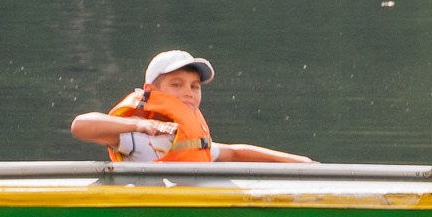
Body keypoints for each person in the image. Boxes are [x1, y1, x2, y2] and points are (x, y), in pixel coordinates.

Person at [70, 49, 315, 164]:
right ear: (153, 92)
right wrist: (140, 124)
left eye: (194, 86)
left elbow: (234, 152)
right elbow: (81, 125)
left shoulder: (192, 140)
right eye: (176, 84)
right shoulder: (134, 138)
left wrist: (298, 162)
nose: (188, 92)